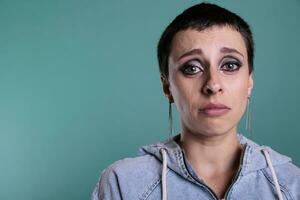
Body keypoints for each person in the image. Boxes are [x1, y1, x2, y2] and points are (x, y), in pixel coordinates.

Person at [92, 3, 300, 200]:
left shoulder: (292, 184)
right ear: (167, 86)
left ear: (249, 81)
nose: (213, 84)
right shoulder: (123, 184)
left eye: (230, 65)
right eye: (192, 67)